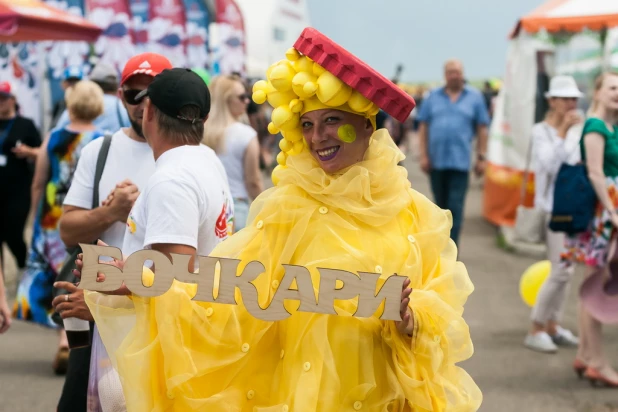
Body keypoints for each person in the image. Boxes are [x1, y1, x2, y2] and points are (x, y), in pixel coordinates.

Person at [82, 29, 481, 411]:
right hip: (304, 397)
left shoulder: (413, 211)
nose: (317, 137)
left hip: (387, 394)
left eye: (330, 120)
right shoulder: (287, 207)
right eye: (307, 124)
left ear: (366, 122)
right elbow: (227, 290)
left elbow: (443, 304)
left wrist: (414, 319)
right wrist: (138, 281)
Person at [51, 53, 173, 412]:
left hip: (154, 310)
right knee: (78, 403)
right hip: (95, 310)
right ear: (120, 97)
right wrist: (111, 212)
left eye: (152, 94)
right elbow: (67, 231)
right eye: (134, 95)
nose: (143, 106)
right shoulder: (99, 151)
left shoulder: (183, 158)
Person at [12, 80, 105, 375]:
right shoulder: (106, 140)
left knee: (57, 275)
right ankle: (79, 341)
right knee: (81, 274)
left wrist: (37, 214)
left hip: (54, 217)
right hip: (90, 218)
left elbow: (39, 181)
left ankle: (64, 338)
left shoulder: (53, 138)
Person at [563, 71, 618, 387]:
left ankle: (586, 355)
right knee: (596, 286)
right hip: (602, 215)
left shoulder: (610, 125)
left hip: (606, 213)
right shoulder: (596, 126)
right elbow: (596, 174)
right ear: (597, 92)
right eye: (611, 87)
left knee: (592, 284)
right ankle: (597, 360)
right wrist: (612, 213)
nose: (616, 93)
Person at [523, 75, 583, 353]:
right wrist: (561, 132)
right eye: (567, 98)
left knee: (567, 271)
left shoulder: (578, 128)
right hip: (552, 209)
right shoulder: (541, 130)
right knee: (559, 270)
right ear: (552, 101)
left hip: (574, 208)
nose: (572, 103)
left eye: (575, 98)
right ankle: (537, 327)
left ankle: (552, 325)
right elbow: (548, 165)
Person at [417, 59, 490, 246]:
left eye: (457, 72)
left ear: (462, 74)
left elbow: (482, 128)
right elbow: (423, 126)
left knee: (455, 207)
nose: (454, 75)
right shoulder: (433, 97)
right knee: (439, 208)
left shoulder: (474, 97)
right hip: (436, 161)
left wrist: (482, 157)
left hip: (460, 162)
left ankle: (452, 248)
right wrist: (423, 155)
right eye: (450, 72)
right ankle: (441, 247)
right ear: (445, 75)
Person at [202, 74, 263, 231]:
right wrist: (264, 209)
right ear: (227, 100)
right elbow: (253, 182)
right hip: (237, 209)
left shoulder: (201, 132)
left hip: (207, 207)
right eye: (242, 97)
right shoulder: (246, 134)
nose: (247, 101)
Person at [0, 81, 42, 273]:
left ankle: (23, 266)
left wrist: (29, 152)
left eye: (4, 98)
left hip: (18, 190)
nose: (1, 102)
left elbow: (43, 153)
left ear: (13, 100)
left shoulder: (26, 125)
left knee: (14, 234)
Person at [50, 66, 84, 131]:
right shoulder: (60, 105)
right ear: (63, 84)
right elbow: (53, 129)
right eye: (70, 82)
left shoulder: (89, 104)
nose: (73, 85)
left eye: (77, 82)